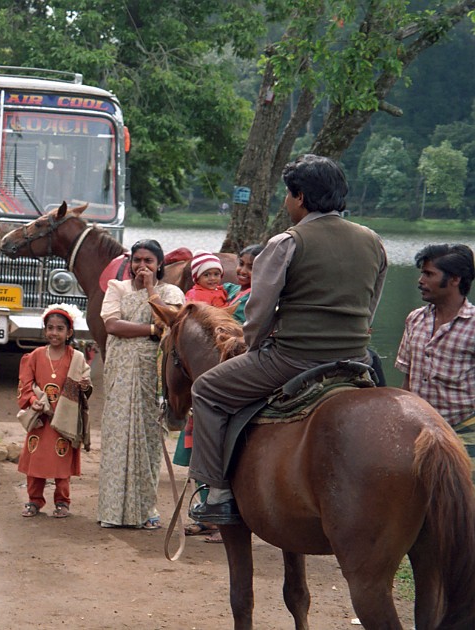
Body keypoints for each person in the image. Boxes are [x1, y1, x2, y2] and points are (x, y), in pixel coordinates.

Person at [189, 154, 387, 524]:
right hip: (356, 358)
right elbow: (370, 305)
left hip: (293, 358)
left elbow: (259, 315)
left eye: (287, 194)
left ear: (299, 197)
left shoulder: (286, 242)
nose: (285, 201)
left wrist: (252, 345)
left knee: (206, 391)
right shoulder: (373, 240)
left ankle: (216, 493)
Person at [97, 239, 185, 529]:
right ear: (130, 263)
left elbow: (170, 322)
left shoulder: (170, 292)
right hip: (120, 374)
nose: (142, 266)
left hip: (151, 374)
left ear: (160, 264)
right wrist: (150, 329)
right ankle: (112, 512)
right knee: (118, 438)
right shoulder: (117, 288)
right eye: (137, 260)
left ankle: (146, 510)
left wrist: (150, 290)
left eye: (149, 260)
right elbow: (112, 326)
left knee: (146, 439)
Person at [395, 244, 474, 477]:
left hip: (464, 428)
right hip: (419, 428)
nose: (420, 280)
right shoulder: (415, 320)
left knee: (463, 502)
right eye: (422, 273)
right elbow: (407, 381)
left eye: (429, 274)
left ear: (454, 280)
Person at [17, 304, 91, 518]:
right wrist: (32, 400)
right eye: (50, 328)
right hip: (40, 420)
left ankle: (62, 501)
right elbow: (25, 385)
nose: (54, 333)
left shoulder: (76, 357)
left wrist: (84, 385)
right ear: (45, 329)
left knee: (61, 462)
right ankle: (34, 500)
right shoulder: (36, 356)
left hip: (64, 420)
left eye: (60, 329)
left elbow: (85, 389)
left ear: (69, 332)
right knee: (35, 462)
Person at [224, 244, 264, 323]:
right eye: (241, 264)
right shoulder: (228, 288)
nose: (242, 271)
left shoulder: (255, 298)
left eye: (251, 268)